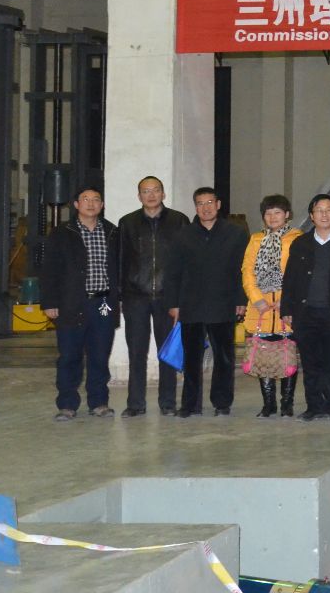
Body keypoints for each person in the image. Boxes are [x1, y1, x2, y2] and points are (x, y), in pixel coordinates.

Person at [166, 187, 249, 418]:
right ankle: (190, 404)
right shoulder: (183, 235)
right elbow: (173, 272)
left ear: (218, 204)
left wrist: (241, 299)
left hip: (223, 304)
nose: (206, 208)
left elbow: (242, 270)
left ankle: (222, 403)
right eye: (201, 204)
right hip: (191, 305)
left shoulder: (235, 233)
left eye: (210, 202)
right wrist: (173, 303)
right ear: (195, 207)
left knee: (224, 357)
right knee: (191, 358)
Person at [44, 187, 121, 421]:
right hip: (72, 303)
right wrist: (50, 301)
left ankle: (99, 402)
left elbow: (121, 267)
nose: (91, 203)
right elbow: (49, 270)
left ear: (102, 205)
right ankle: (67, 404)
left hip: (104, 303)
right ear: (76, 204)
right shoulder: (62, 233)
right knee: (69, 356)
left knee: (100, 355)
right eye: (85, 199)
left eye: (96, 199)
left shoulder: (112, 232)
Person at [117, 176, 187, 418]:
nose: (151, 195)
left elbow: (185, 262)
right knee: (136, 352)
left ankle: (168, 403)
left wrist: (180, 298)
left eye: (156, 190)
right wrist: (121, 296)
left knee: (166, 351)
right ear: (139, 196)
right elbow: (120, 260)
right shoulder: (127, 223)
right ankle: (135, 404)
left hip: (168, 297)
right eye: (146, 191)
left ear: (163, 194)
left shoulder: (179, 221)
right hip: (135, 297)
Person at [282, 194, 330, 421]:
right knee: (310, 362)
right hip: (306, 312)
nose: (324, 214)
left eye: (329, 209)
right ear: (311, 216)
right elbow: (290, 278)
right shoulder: (300, 243)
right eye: (319, 210)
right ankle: (313, 406)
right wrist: (286, 309)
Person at [241, 194, 302, 418]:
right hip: (261, 308)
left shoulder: (297, 239)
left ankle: (287, 403)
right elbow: (247, 271)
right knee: (263, 355)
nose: (273, 217)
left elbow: (300, 273)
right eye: (268, 213)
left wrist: (286, 299)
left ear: (287, 215)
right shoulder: (256, 239)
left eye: (277, 212)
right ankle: (268, 404)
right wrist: (257, 298)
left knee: (288, 355)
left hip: (287, 307)